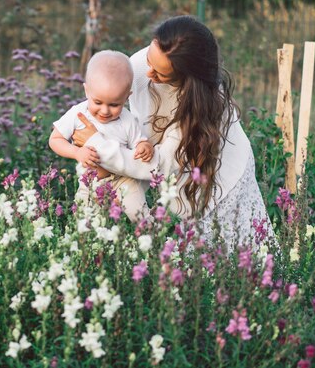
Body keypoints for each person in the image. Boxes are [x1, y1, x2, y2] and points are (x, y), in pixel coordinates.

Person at [72, 16, 274, 250]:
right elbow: (118, 123)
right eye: (150, 58)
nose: (149, 74)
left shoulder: (204, 105)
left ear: (188, 81)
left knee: (243, 259)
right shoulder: (137, 66)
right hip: (175, 181)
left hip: (222, 185)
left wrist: (100, 147)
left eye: (162, 75)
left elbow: (161, 166)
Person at [49, 50, 154, 221]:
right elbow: (55, 139)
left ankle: (153, 238)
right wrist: (76, 152)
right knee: (85, 222)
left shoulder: (127, 119)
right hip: (90, 183)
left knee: (139, 214)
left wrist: (144, 146)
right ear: (86, 91)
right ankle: (94, 247)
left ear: (127, 97)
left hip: (123, 180)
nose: (105, 111)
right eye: (98, 102)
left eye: (114, 104)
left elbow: (139, 143)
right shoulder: (78, 114)